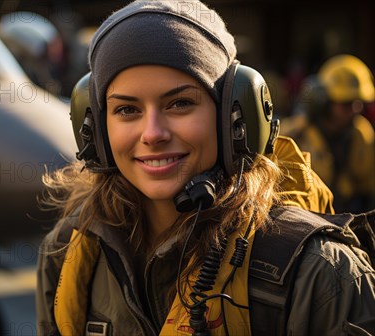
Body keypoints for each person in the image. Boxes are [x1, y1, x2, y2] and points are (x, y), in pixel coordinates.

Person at [36, 1, 375, 335]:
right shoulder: (64, 251)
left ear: (235, 118)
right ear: (94, 129)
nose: (153, 133)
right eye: (127, 109)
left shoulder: (321, 272)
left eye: (180, 103)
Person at [281, 55, 375, 213]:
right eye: (346, 104)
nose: (354, 110)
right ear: (324, 101)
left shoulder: (361, 131)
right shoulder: (296, 134)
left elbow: (368, 185)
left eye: (357, 103)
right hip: (307, 217)